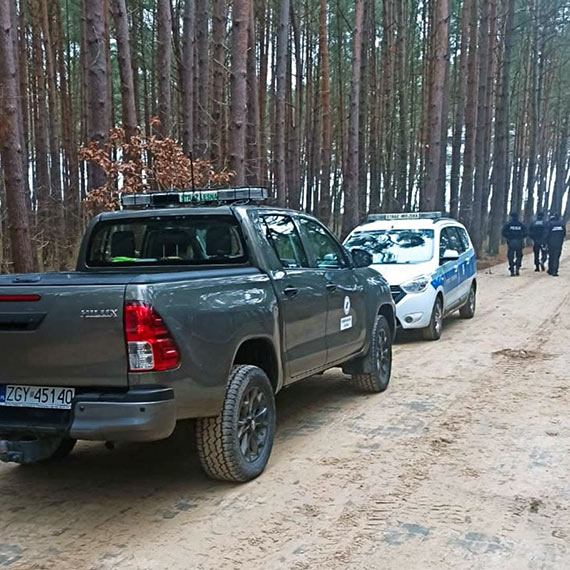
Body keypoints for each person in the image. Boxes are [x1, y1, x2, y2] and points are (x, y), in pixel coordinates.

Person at [502, 212, 527, 276]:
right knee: (519, 256)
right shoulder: (521, 224)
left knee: (510, 256)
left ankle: (512, 268)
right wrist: (521, 237)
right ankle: (517, 267)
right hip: (519, 242)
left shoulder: (508, 224)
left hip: (511, 242)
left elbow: (503, 232)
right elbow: (526, 233)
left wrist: (508, 237)